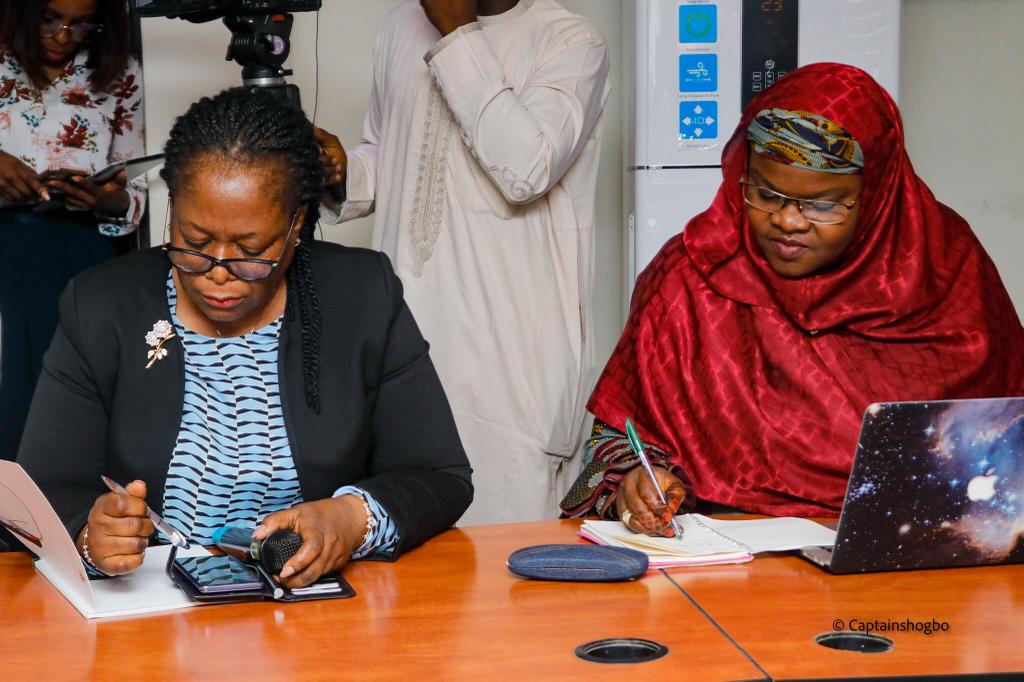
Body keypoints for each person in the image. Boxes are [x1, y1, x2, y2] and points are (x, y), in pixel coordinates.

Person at [16, 87, 473, 587]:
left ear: (297, 223)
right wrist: (90, 534)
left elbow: (438, 475)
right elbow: (43, 489)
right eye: (193, 242)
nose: (218, 272)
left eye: (250, 250)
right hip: (152, 618)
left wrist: (350, 518)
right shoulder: (102, 305)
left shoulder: (362, 296)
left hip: (315, 617)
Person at [560, 63, 1024, 536]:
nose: (787, 221)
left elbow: (1008, 436)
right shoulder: (690, 276)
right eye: (764, 193)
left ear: (879, 194)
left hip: (921, 555)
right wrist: (637, 483)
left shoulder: (948, 269)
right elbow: (616, 439)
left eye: (822, 204)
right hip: (731, 561)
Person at [315, 0, 610, 525]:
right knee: (406, 527)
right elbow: (388, 153)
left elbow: (527, 168)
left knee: (511, 551)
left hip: (511, 354)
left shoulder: (570, 41)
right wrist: (341, 172)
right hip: (407, 333)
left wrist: (455, 29)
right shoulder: (399, 25)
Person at [0, 0, 146, 460]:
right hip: (6, 243)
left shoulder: (120, 72)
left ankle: (68, 516)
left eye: (82, 23)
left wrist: (110, 198)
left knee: (75, 389)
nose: (64, 36)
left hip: (81, 249)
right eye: (48, 17)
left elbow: (136, 185)